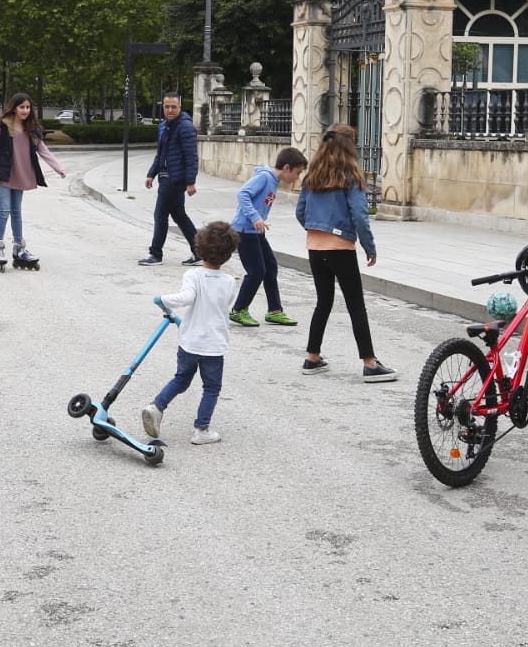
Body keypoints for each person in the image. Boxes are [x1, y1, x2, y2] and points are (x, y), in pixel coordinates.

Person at [294, 124, 396, 382]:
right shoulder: (351, 175)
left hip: (315, 248)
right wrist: (369, 247)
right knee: (356, 306)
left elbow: (300, 212)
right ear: (349, 145)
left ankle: (312, 357)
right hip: (341, 248)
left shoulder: (312, 175)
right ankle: (370, 363)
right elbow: (360, 216)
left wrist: (315, 230)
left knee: (323, 301)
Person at [140, 221, 241, 446]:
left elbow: (187, 299)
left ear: (199, 248)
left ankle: (156, 407)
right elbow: (218, 309)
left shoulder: (193, 275)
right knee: (212, 387)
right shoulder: (228, 282)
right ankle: (201, 430)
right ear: (228, 254)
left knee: (181, 379)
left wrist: (163, 300)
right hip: (213, 345)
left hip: (189, 342)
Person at [0, 92, 66, 269]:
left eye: (28, 107)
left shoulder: (32, 129)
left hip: (20, 174)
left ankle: (19, 248)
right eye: (22, 107)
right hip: (2, 173)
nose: (25, 110)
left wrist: (58, 168)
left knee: (17, 211)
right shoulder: (3, 126)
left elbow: (43, 150)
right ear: (14, 108)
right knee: (4, 210)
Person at [228, 147, 308, 328]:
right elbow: (242, 194)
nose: (297, 178)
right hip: (244, 231)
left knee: (270, 267)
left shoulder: (273, 180)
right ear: (286, 167)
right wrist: (255, 217)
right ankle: (238, 310)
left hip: (255, 231)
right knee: (256, 271)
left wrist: (259, 222)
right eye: (297, 173)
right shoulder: (265, 177)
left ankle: (274, 311)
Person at [138, 94, 200, 267]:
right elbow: (161, 154)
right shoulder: (164, 126)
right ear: (163, 107)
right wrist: (151, 173)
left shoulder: (185, 127)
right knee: (179, 215)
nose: (170, 110)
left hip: (176, 178)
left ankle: (155, 254)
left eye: (174, 106)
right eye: (167, 107)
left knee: (160, 214)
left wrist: (190, 182)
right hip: (165, 176)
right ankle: (200, 252)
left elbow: (191, 157)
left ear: (180, 107)